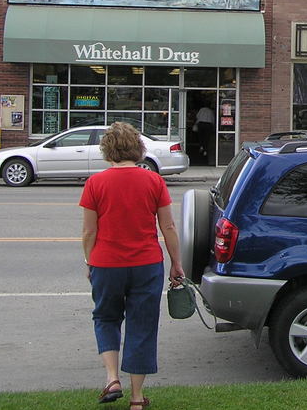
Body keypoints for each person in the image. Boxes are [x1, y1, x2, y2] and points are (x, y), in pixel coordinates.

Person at [80, 122, 184, 408]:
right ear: (138, 149)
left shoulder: (95, 183)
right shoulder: (154, 181)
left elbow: (89, 232)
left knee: (105, 317)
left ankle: (112, 379)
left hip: (106, 263)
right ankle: (137, 398)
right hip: (146, 264)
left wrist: (90, 261)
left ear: (107, 150)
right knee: (142, 326)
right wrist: (176, 263)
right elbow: (169, 226)